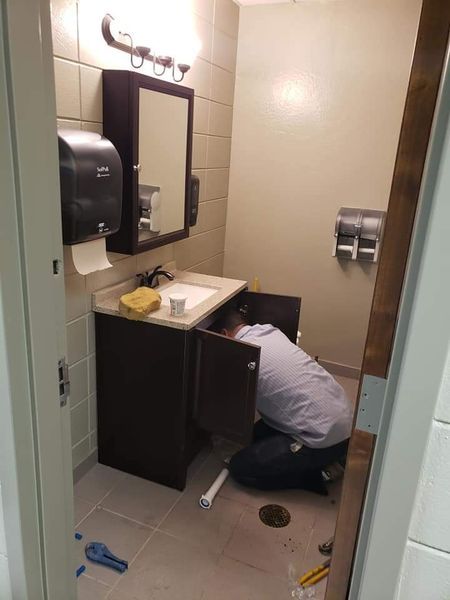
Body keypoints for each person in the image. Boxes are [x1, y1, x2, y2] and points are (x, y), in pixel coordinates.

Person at [217, 310, 353, 495]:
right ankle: (333, 456)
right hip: (344, 419)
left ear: (225, 334)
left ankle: (317, 475)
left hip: (322, 438)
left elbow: (230, 403)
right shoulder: (269, 331)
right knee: (255, 435)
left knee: (240, 468)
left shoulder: (242, 355)